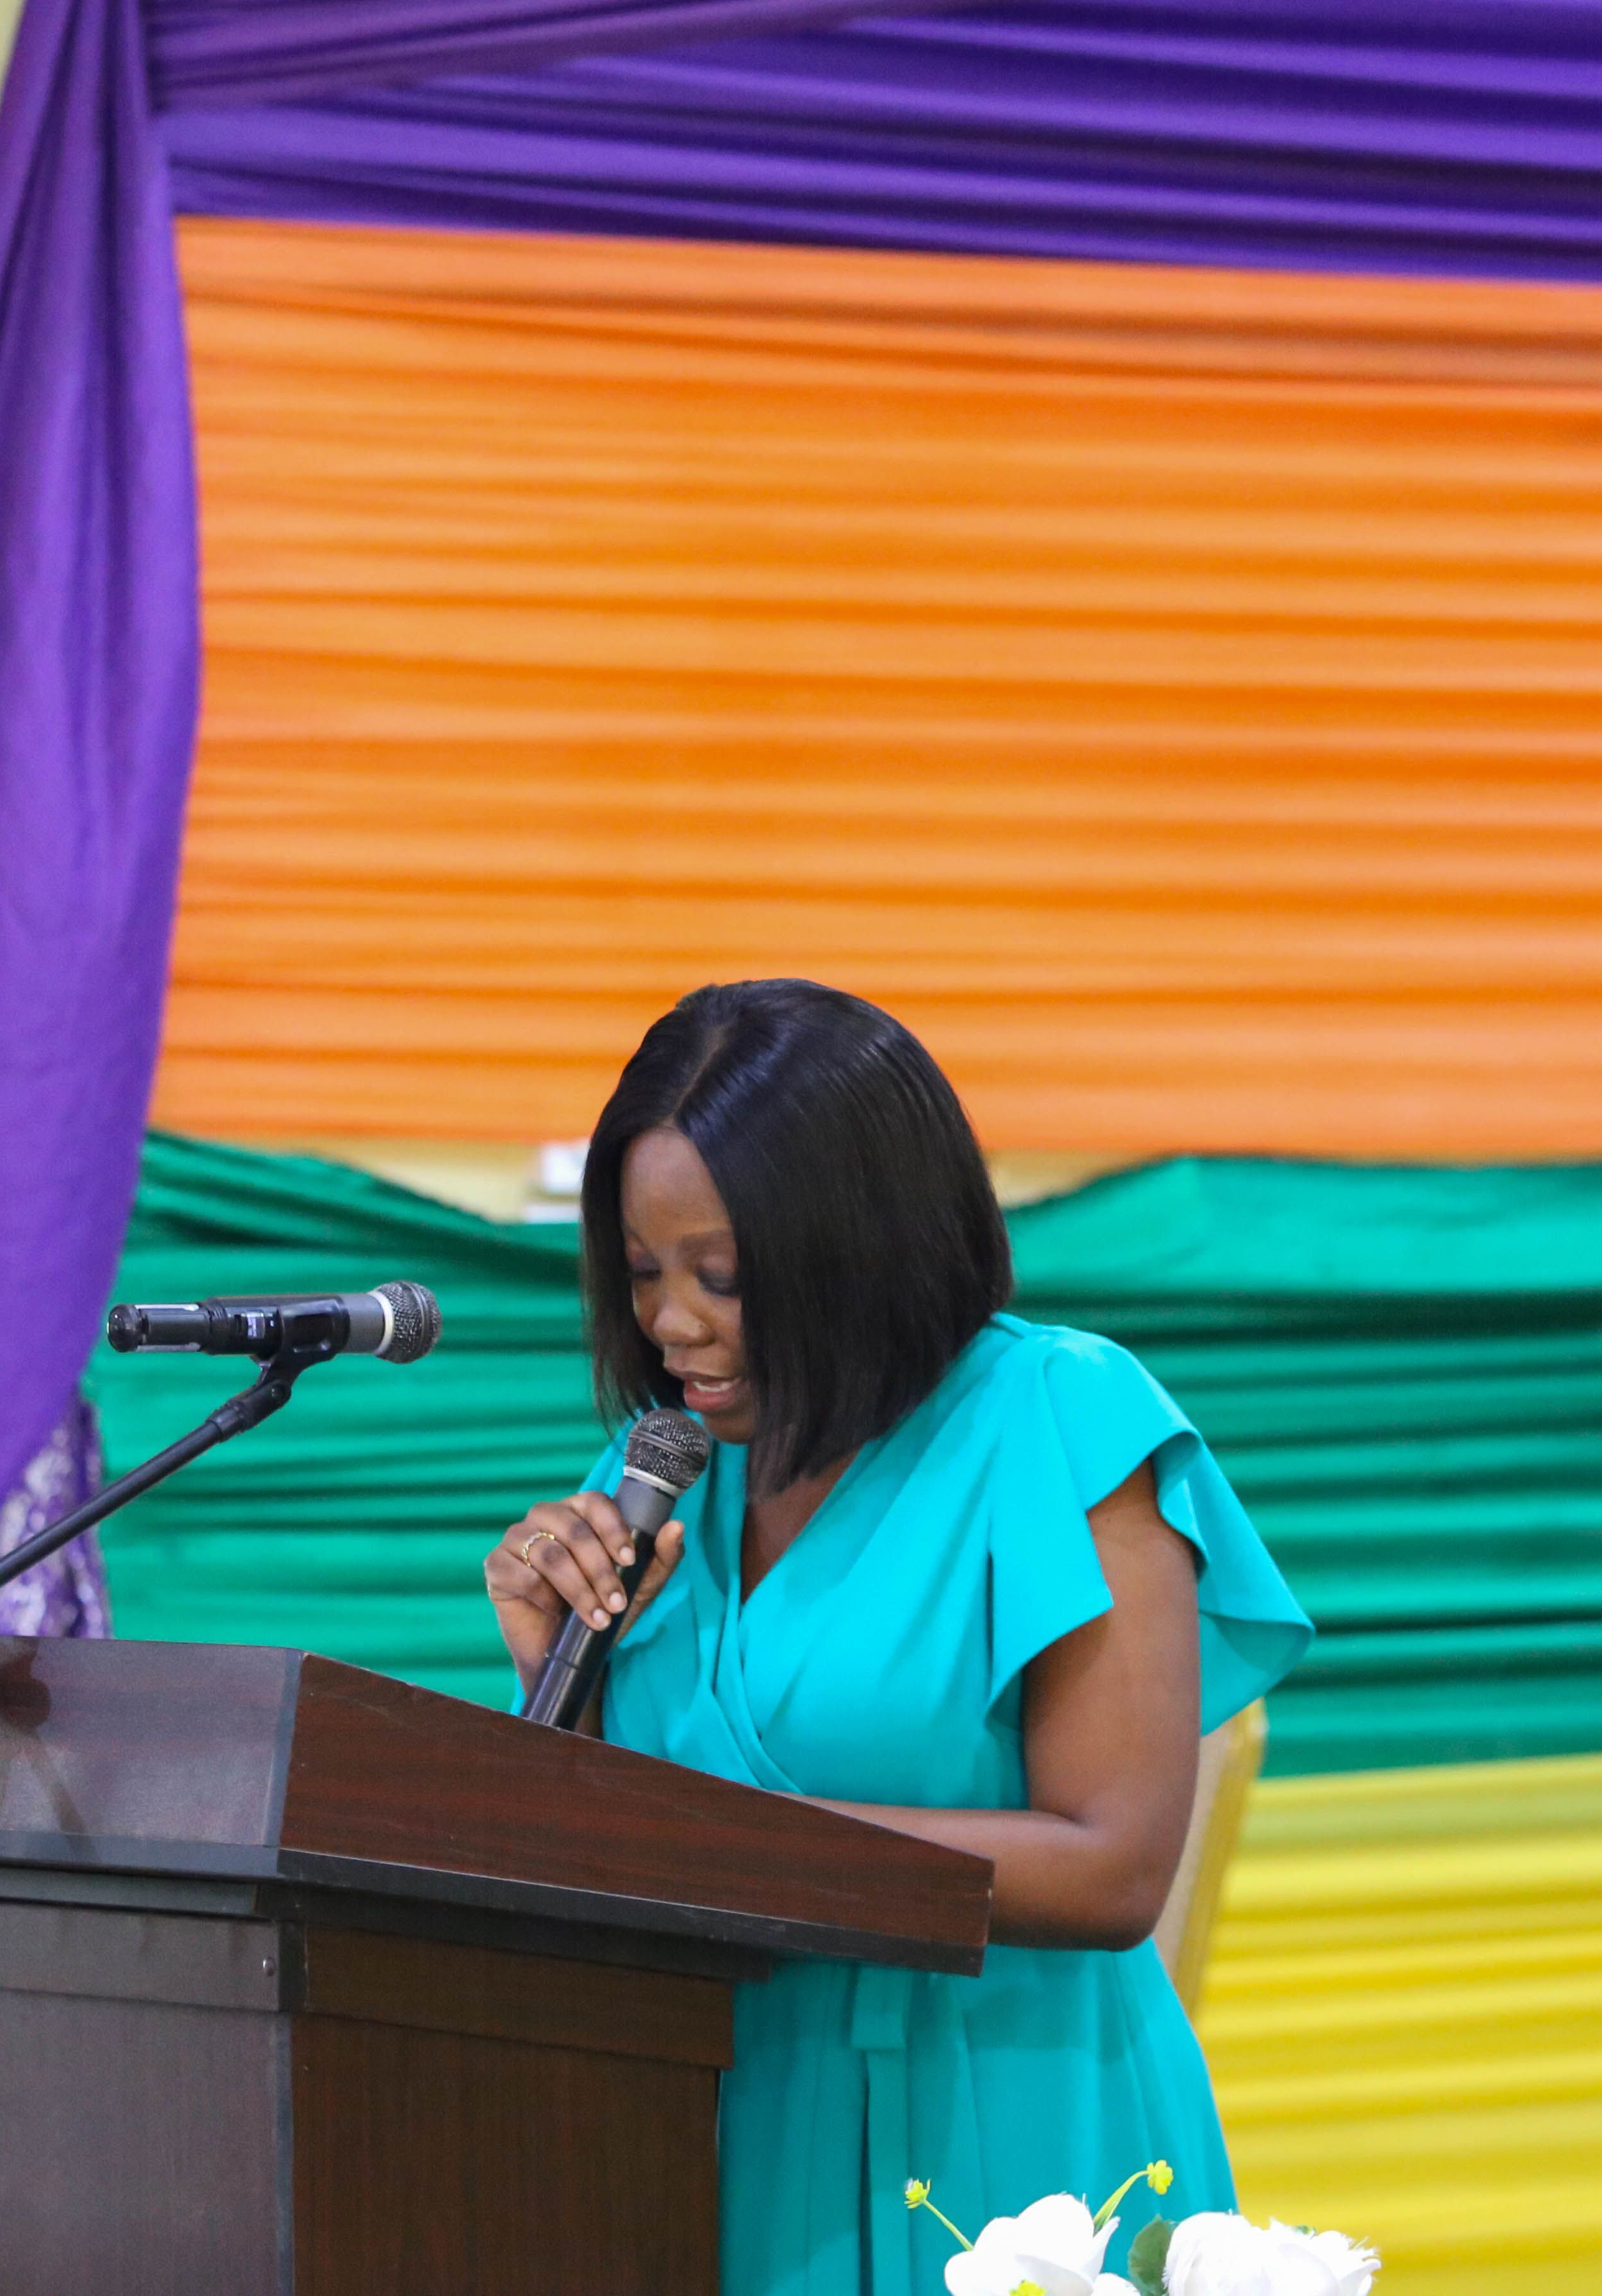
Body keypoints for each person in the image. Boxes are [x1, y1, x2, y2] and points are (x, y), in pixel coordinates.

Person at [482, 980, 1312, 2296]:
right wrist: (556, 1676)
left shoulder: (1060, 1419)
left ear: (862, 1241)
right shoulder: (670, 1468)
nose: (673, 1325)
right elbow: (621, 1851)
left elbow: (1112, 1871)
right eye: (643, 1273)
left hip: (1006, 2136)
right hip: (724, 2118)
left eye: (725, 1277)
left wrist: (736, 1850)